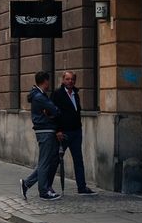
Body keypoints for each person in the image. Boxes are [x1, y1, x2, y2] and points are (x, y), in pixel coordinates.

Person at [52, 71, 96, 196]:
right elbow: (53, 114)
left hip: (76, 131)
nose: (70, 81)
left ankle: (82, 187)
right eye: (67, 79)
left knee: (78, 160)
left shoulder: (76, 94)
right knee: (55, 159)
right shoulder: (58, 94)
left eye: (72, 79)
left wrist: (79, 126)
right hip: (63, 132)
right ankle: (47, 186)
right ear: (63, 80)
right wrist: (58, 130)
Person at [20, 72, 62, 201]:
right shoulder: (39, 96)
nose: (49, 84)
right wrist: (51, 112)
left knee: (47, 161)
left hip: (47, 130)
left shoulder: (40, 95)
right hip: (45, 130)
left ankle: (27, 183)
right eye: (48, 81)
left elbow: (52, 110)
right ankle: (43, 191)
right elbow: (55, 110)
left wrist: (50, 112)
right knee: (44, 162)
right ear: (45, 81)